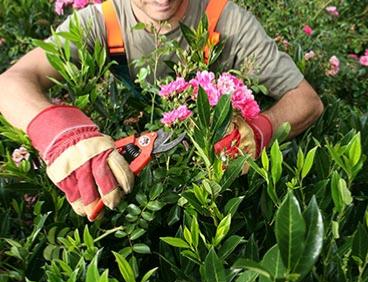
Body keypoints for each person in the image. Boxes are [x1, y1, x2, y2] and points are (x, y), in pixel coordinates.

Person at [0, 0, 324, 220]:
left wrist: (259, 129)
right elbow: (10, 82)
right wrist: (58, 129)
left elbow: (307, 101)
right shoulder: (102, 22)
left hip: (214, 189)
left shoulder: (225, 18)